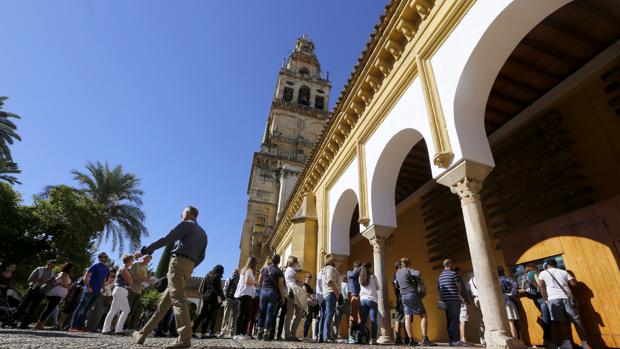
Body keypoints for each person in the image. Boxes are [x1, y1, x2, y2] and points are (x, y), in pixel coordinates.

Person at [133, 205, 208, 349]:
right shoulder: (203, 233)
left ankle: (185, 338)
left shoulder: (186, 225)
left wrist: (145, 250)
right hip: (189, 267)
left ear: (187, 213)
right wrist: (190, 265)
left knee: (178, 300)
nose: (181, 216)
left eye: (182, 213)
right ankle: (142, 334)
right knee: (163, 305)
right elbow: (202, 257)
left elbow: (166, 239)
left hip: (178, 264)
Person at [538, 259, 590, 349]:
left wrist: (545, 299)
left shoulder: (542, 273)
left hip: (553, 299)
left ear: (546, 265)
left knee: (561, 322)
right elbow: (574, 284)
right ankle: (585, 344)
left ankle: (567, 344)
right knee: (577, 321)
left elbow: (541, 287)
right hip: (568, 298)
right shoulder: (564, 272)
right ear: (556, 264)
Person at [395, 257, 434, 346]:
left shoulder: (397, 273)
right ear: (408, 264)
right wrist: (410, 270)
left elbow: (397, 284)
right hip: (412, 295)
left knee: (407, 317)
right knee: (423, 315)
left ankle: (411, 339)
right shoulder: (408, 270)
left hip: (403, 297)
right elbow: (418, 273)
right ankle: (424, 338)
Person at [69, 252, 110, 332]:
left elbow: (104, 279)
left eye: (106, 257)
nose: (105, 258)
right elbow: (86, 276)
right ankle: (73, 326)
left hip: (97, 292)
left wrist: (103, 288)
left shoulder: (107, 268)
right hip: (89, 290)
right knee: (81, 308)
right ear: (100, 258)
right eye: (103, 256)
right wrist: (88, 287)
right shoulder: (95, 266)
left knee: (87, 309)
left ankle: (80, 327)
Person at [16, 259, 56, 328]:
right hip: (33, 288)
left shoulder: (52, 273)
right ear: (48, 263)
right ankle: (13, 320)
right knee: (24, 304)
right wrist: (40, 280)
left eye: (53, 265)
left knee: (33, 308)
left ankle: (24, 324)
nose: (52, 266)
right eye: (51, 264)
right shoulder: (39, 269)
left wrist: (48, 285)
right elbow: (30, 279)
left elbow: (50, 284)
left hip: (41, 291)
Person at [34, 262, 73, 330]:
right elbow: (63, 284)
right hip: (56, 294)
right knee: (49, 309)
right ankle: (38, 325)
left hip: (54, 293)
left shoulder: (61, 273)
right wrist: (70, 286)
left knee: (49, 309)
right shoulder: (65, 274)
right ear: (70, 268)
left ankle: (40, 324)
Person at [521, 264, 552, 348]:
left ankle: (547, 340)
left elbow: (523, 288)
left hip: (534, 298)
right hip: (541, 297)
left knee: (546, 317)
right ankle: (547, 340)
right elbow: (539, 284)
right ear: (533, 267)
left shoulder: (524, 276)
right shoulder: (534, 273)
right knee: (547, 318)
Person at [102, 255, 135, 334]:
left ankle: (117, 329)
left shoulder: (124, 268)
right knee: (115, 310)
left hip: (121, 290)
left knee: (125, 310)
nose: (133, 261)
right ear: (129, 261)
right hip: (121, 290)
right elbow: (130, 281)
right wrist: (133, 279)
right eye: (132, 260)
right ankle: (107, 329)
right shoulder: (124, 268)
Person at [256, 254, 285, 341]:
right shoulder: (279, 271)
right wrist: (283, 297)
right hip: (273, 293)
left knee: (261, 312)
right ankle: (265, 334)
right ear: (279, 261)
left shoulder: (264, 269)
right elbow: (280, 285)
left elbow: (259, 281)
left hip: (263, 292)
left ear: (271, 260)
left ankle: (259, 332)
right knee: (269, 313)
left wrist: (262, 288)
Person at [438, 260, 467, 346]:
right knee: (454, 320)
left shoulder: (441, 275)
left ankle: (452, 340)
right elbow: (459, 285)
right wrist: (459, 294)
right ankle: (456, 341)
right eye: (452, 264)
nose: (453, 265)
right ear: (450, 264)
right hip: (453, 299)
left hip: (445, 300)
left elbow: (439, 288)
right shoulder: (453, 274)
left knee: (449, 320)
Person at [192, 264, 224, 338]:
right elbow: (217, 289)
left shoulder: (209, 275)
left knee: (202, 314)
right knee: (208, 316)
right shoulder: (217, 277)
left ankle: (193, 330)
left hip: (205, 296)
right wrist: (219, 297)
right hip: (213, 297)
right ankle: (203, 333)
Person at [234, 257, 257, 340]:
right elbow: (247, 281)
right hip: (244, 295)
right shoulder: (249, 270)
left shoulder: (245, 270)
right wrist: (255, 282)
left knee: (246, 314)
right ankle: (237, 333)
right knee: (242, 314)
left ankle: (243, 333)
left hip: (245, 294)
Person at [127, 254, 152, 330]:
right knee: (127, 308)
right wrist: (140, 279)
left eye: (149, 261)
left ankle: (126, 327)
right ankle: (119, 326)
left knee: (132, 310)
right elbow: (130, 275)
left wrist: (149, 281)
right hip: (131, 289)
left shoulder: (145, 268)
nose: (148, 262)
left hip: (139, 290)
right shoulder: (136, 264)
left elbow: (145, 279)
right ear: (143, 259)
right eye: (147, 260)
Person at [320, 254, 340, 343]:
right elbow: (330, 281)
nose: (336, 261)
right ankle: (326, 336)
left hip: (327, 294)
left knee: (328, 315)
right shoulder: (330, 269)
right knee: (329, 315)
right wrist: (337, 293)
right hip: (331, 293)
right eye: (334, 260)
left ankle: (327, 336)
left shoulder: (324, 270)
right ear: (331, 261)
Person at [283, 256, 303, 341]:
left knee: (293, 315)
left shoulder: (288, 270)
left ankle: (290, 334)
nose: (297, 264)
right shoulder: (291, 270)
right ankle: (290, 334)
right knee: (294, 315)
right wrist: (300, 282)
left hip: (292, 294)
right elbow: (299, 280)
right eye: (296, 262)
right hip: (293, 294)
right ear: (293, 262)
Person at [359, 262, 379, 345]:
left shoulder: (360, 278)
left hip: (363, 300)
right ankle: (373, 339)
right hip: (372, 300)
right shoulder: (373, 277)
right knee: (373, 320)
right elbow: (378, 287)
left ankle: (363, 338)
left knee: (363, 321)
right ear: (369, 268)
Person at [497, 266, 519, 338]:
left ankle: (513, 340)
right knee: (511, 322)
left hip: (498, 303)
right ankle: (515, 340)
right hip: (508, 301)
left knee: (504, 323)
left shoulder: (495, 280)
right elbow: (515, 285)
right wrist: (511, 294)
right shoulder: (507, 278)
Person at [219, 268, 240, 338]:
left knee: (234, 317)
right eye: (234, 272)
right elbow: (225, 289)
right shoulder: (229, 279)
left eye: (236, 272)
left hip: (236, 300)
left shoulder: (239, 281)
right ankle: (222, 332)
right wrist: (226, 298)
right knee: (226, 316)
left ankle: (232, 332)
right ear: (232, 273)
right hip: (229, 299)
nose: (235, 273)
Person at [392, 261, 408, 345]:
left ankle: (398, 338)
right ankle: (406, 338)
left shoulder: (395, 275)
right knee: (406, 317)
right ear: (400, 266)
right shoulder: (400, 274)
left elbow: (394, 287)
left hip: (398, 298)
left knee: (399, 318)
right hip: (404, 297)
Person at [455, 267, 471, 345]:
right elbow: (457, 289)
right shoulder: (458, 278)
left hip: (462, 301)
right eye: (461, 271)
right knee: (463, 320)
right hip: (462, 302)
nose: (463, 273)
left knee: (464, 320)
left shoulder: (459, 278)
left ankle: (464, 338)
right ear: (458, 272)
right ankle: (463, 339)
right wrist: (462, 299)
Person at [346, 260, 361, 344]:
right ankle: (350, 336)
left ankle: (358, 335)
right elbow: (353, 274)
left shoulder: (359, 274)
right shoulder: (349, 272)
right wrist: (359, 269)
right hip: (354, 296)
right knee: (352, 318)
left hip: (360, 296)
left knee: (359, 318)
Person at [468, 274, 485, 345]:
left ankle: (482, 339)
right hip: (482, 298)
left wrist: (472, 300)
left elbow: (469, 292)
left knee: (479, 320)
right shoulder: (479, 279)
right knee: (485, 319)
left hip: (475, 299)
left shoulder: (469, 281)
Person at [302, 273, 318, 341]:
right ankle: (305, 336)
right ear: (305, 277)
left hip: (311, 303)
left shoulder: (309, 285)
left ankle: (306, 336)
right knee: (307, 319)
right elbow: (305, 293)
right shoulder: (304, 285)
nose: (309, 279)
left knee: (310, 319)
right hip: (307, 303)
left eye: (310, 277)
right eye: (308, 277)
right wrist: (312, 295)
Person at [334, 275, 350, 341]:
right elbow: (347, 294)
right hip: (345, 302)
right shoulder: (347, 284)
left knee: (336, 321)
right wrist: (349, 302)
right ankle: (350, 336)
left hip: (338, 302)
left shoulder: (338, 285)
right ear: (346, 279)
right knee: (349, 320)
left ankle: (334, 336)